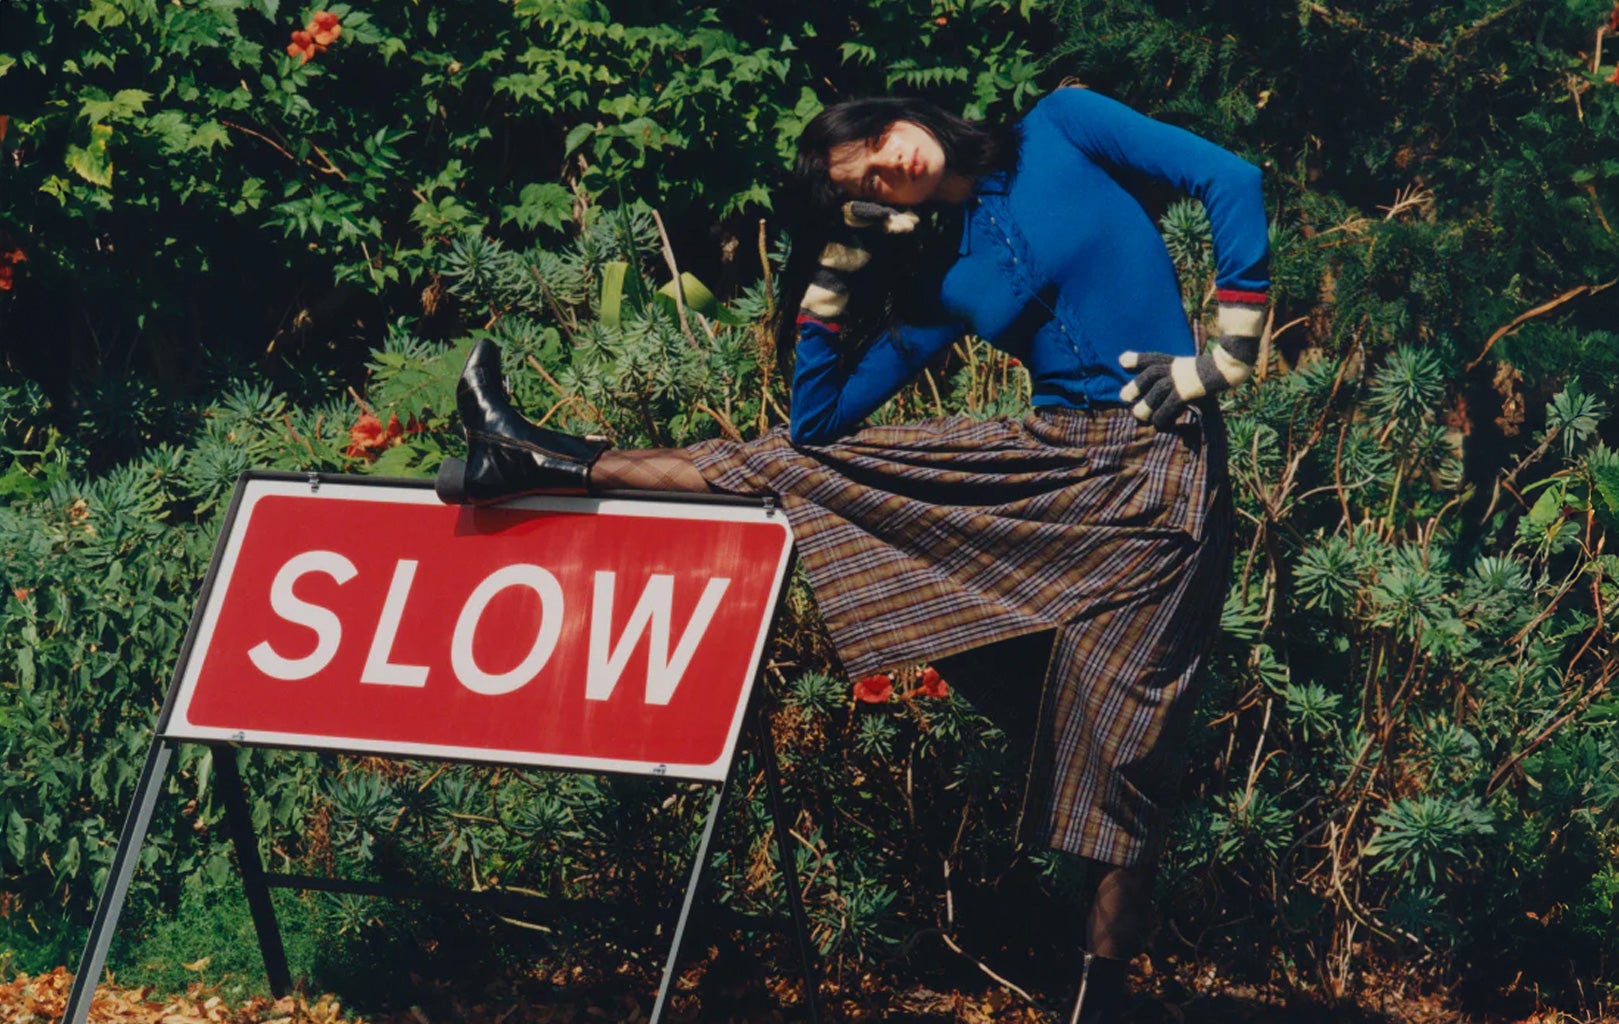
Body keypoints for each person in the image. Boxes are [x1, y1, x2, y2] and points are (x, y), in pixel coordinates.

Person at [439, 86, 1270, 1022]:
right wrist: (842, 260)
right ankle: (549, 458)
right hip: (1051, 466)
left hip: (1161, 475)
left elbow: (1227, 175)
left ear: (904, 113)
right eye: (865, 180)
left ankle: (1102, 1002)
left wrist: (1223, 354)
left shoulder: (1063, 126)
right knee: (805, 472)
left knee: (1127, 741)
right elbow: (818, 423)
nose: (890, 165)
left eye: (878, 142)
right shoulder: (943, 274)